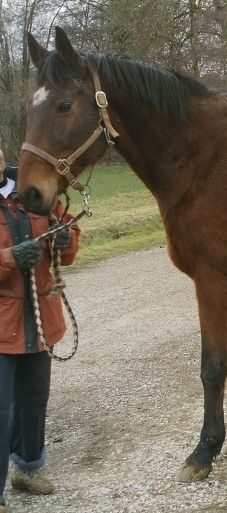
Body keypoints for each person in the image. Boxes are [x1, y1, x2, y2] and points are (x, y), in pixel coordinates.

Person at [0, 148, 80, 512]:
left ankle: (28, 469)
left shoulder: (36, 192)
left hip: (38, 321)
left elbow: (69, 238)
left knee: (33, 400)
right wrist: (10, 258)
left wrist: (65, 241)